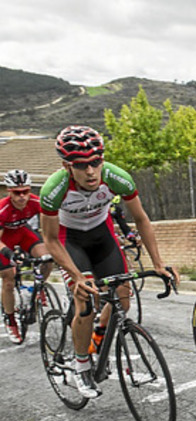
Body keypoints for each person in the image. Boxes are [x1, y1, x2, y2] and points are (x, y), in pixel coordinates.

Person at [40, 125, 177, 398]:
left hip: (102, 236)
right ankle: (81, 365)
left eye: (96, 162)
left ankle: (98, 338)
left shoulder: (117, 178)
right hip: (70, 241)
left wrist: (158, 263)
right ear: (67, 166)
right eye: (82, 165)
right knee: (85, 303)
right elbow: (51, 239)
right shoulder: (54, 189)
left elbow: (141, 219)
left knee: (122, 300)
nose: (91, 171)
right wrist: (76, 276)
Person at [0, 169, 52, 343]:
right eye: (17, 193)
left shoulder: (36, 202)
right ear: (9, 192)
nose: (22, 196)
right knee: (8, 278)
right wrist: (9, 254)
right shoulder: (3, 209)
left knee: (47, 258)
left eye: (25, 191)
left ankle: (38, 288)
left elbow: (51, 225)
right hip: (4, 239)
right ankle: (10, 319)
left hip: (23, 233)